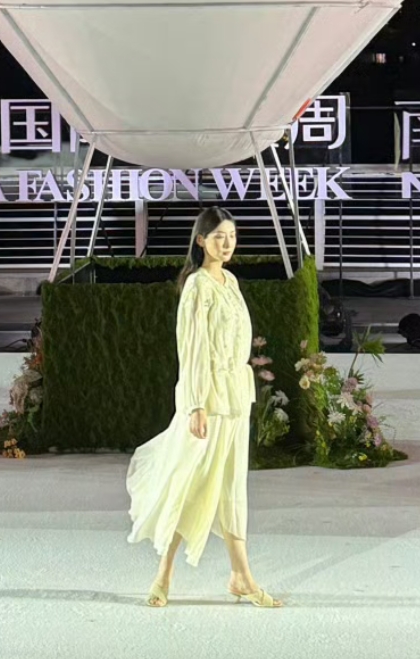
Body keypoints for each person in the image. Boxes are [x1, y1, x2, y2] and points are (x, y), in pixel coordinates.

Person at [126, 207, 281, 609]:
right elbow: (192, 348)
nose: (226, 244)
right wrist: (195, 403)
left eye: (231, 236)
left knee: (231, 486)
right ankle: (163, 574)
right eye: (218, 237)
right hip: (209, 402)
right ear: (201, 241)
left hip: (235, 398)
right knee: (192, 482)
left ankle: (241, 575)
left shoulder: (230, 281)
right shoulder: (197, 286)